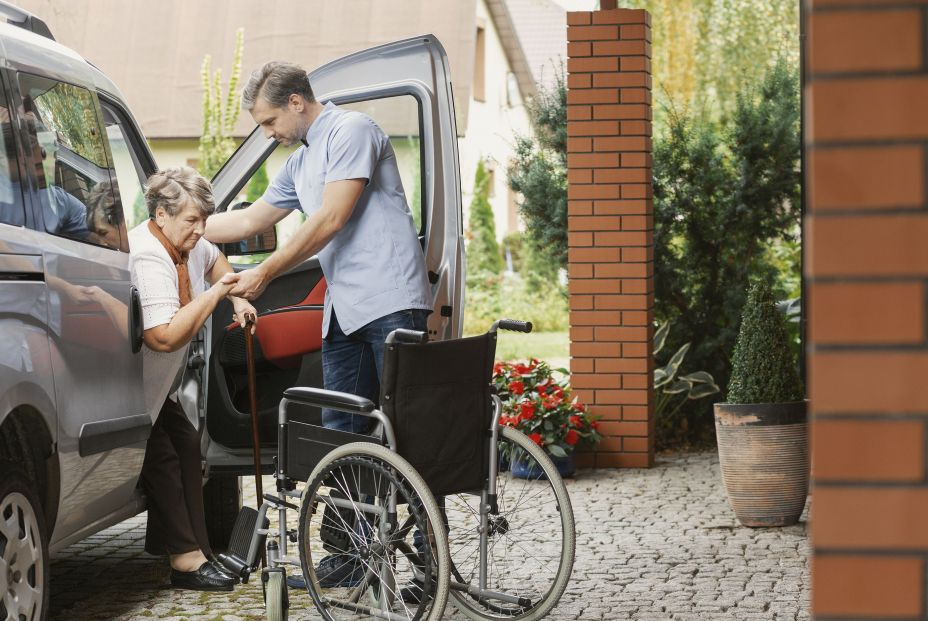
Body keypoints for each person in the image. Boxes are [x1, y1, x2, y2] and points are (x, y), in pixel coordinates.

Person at [205, 61, 432, 589]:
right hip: (344, 312)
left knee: (409, 433)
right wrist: (173, 226)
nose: (268, 134)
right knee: (343, 435)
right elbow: (247, 220)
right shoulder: (297, 164)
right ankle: (353, 555)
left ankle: (430, 562)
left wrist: (265, 270)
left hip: (390, 301)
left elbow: (331, 218)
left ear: (296, 103)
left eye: (268, 123)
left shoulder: (353, 131)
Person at [130, 166, 256, 592]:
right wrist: (217, 295)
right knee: (163, 456)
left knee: (186, 443)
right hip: (125, 390)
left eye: (205, 219)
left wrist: (235, 297)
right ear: (161, 214)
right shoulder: (149, 255)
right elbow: (163, 336)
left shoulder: (188, 244)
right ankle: (185, 561)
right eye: (192, 220)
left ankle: (197, 553)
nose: (201, 230)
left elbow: (218, 262)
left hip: (153, 388)